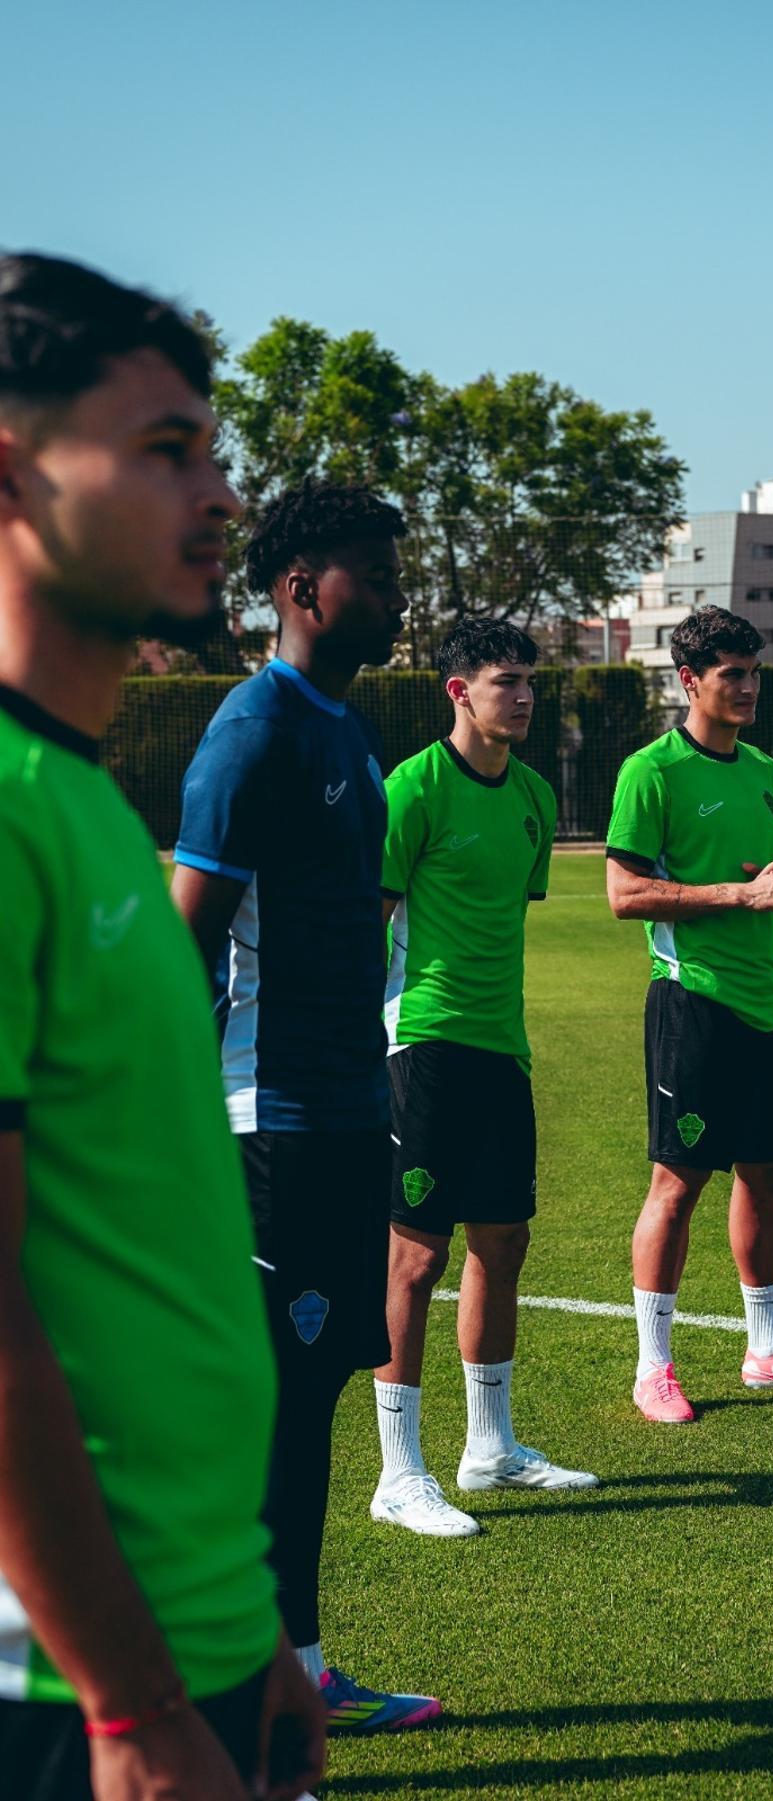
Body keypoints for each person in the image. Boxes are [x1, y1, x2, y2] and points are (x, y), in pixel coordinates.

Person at [0, 252, 323, 1800]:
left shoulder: (74, 791)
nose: (218, 493)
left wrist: (245, 1631)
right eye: (161, 450)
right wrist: (129, 1706)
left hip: (187, 1639)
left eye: (212, 447)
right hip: (62, 1690)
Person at [171, 479, 439, 1732]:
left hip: (342, 1114)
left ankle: (302, 1669)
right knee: (257, 1411)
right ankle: (219, 1691)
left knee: (311, 1400)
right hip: (261, 1126)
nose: (394, 591)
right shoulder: (254, 730)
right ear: (299, 589)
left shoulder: (348, 732)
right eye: (371, 572)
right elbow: (185, 948)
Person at [605, 605, 773, 1423]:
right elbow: (624, 893)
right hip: (694, 1003)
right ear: (691, 680)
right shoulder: (651, 770)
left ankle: (769, 1348)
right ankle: (654, 1366)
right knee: (676, 1184)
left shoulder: (761, 768)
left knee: (767, 1172)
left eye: (754, 672)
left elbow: (770, 865)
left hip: (766, 1002)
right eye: (732, 674)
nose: (749, 687)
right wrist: (737, 893)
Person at [372, 618, 597, 1538]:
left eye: (532, 682)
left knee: (502, 1244)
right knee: (417, 1259)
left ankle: (490, 1448)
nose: (527, 696)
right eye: (509, 681)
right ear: (458, 691)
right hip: (422, 1044)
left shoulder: (536, 795)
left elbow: (508, 920)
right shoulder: (413, 787)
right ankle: (399, 1473)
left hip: (503, 1049)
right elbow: (369, 923)